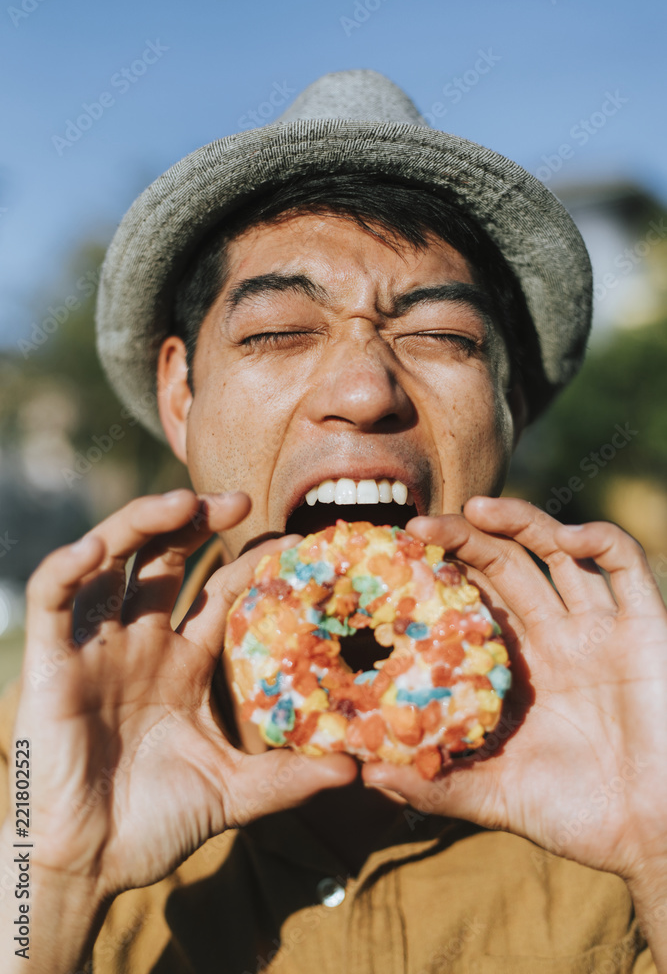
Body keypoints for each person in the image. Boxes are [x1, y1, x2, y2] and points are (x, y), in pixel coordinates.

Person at [1, 69, 666, 974]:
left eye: (442, 337)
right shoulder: (31, 772)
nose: (364, 392)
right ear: (179, 393)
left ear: (509, 405)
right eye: (277, 330)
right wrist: (50, 889)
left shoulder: (641, 758)